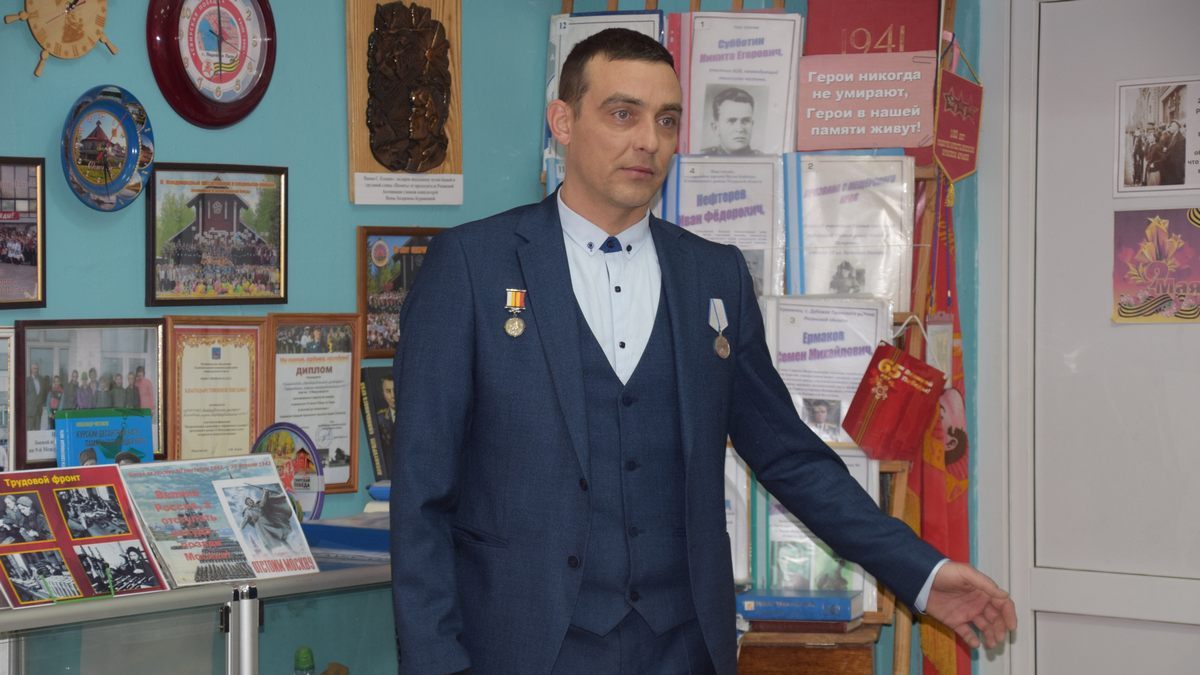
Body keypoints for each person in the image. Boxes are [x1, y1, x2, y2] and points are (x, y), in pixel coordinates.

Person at [389, 28, 1016, 675]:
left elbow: (789, 455)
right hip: (526, 648)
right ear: (563, 122)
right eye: (623, 114)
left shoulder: (714, 276)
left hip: (684, 646)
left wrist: (921, 572)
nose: (648, 140)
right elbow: (421, 498)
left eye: (667, 120)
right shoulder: (471, 266)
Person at [700, 86, 758, 155]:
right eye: (731, 121)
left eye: (746, 121)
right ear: (715, 128)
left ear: (752, 125)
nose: (739, 129)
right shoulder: (702, 157)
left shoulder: (763, 158)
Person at [25, 362, 49, 431]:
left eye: (37, 369)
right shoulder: (27, 380)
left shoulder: (41, 380)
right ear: (31, 369)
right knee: (29, 431)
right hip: (30, 411)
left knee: (37, 431)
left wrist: (43, 404)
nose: (36, 370)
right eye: (34, 368)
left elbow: (44, 393)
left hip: (39, 410)